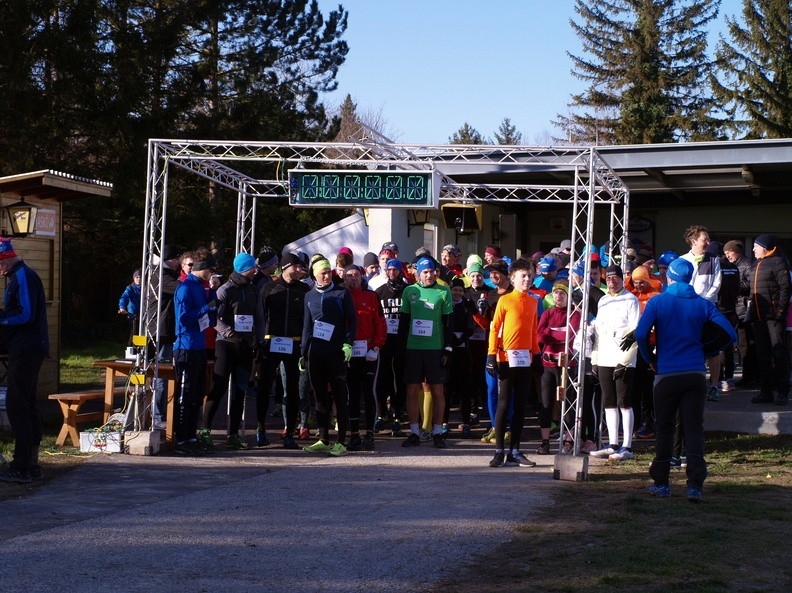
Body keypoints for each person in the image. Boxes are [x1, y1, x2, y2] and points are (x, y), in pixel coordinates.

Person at [636, 257, 736, 502]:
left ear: (669, 277)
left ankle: (662, 483)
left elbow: (640, 334)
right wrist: (707, 349)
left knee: (665, 428)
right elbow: (730, 335)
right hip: (695, 374)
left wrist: (650, 358)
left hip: (666, 373)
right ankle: (694, 486)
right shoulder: (702, 304)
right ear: (689, 278)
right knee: (693, 429)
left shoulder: (658, 302)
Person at [201, 252, 264, 451]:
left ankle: (234, 434)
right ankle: (205, 430)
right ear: (245, 268)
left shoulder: (254, 290)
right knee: (219, 387)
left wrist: (259, 341)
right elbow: (215, 319)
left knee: (239, 390)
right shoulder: (225, 290)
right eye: (253, 267)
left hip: (245, 345)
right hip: (226, 344)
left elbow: (259, 317)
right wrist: (229, 333)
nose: (256, 270)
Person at [0, 238, 49, 483]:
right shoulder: (19, 275)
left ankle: (21, 466)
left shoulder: (23, 276)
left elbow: (26, 314)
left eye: (0, 265)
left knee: (18, 404)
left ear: (6, 260)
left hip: (28, 347)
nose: (0, 271)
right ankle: (30, 463)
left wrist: (2, 319)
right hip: (27, 346)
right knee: (27, 403)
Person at [486, 258, 541, 467]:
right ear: (513, 278)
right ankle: (499, 451)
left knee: (520, 405)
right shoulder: (505, 300)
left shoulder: (534, 301)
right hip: (506, 357)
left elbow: (533, 330)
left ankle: (515, 451)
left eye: (529, 276)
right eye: (523, 276)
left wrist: (536, 354)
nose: (527, 279)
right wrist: (492, 355)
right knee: (503, 403)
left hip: (525, 358)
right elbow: (494, 328)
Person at [302, 257, 356, 456]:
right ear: (314, 275)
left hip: (336, 351)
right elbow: (307, 326)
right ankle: (323, 438)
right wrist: (303, 352)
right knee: (319, 396)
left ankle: (341, 440)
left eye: (328, 272)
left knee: (340, 395)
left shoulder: (342, 293)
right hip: (316, 352)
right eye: (322, 272)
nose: (326, 275)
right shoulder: (309, 296)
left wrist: (348, 343)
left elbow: (352, 320)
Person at [398, 256, 454, 449]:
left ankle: (437, 432)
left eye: (432, 271)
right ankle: (414, 432)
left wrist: (448, 348)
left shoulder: (443, 291)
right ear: (418, 274)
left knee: (438, 391)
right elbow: (403, 323)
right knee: (412, 390)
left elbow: (448, 323)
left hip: (435, 348)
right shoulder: (409, 291)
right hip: (413, 348)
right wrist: (400, 348)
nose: (429, 275)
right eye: (425, 272)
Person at [258, 253, 310, 448]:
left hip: (294, 344)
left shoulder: (304, 290)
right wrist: (259, 342)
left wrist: (305, 345)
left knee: (293, 390)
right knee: (265, 388)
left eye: (301, 267)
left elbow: (308, 320)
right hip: (270, 343)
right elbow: (260, 316)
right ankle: (260, 429)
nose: (300, 270)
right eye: (296, 267)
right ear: (286, 267)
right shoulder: (269, 288)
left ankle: (289, 432)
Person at [590, 264, 640, 461]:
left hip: (623, 359)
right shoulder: (602, 301)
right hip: (604, 357)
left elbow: (635, 331)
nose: (612, 281)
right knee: (608, 401)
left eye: (615, 278)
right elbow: (598, 333)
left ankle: (627, 446)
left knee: (624, 402)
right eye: (608, 278)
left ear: (621, 279)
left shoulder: (631, 300)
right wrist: (595, 358)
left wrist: (625, 361)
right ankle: (612, 444)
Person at [172, 249, 217, 455]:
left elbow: (208, 313)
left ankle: (191, 435)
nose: (212, 273)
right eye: (210, 269)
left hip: (199, 347)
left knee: (197, 394)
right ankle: (181, 439)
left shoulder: (201, 287)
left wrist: (212, 302)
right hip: (185, 347)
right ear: (202, 269)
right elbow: (183, 319)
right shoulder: (185, 288)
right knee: (185, 393)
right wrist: (205, 308)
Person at [343, 264, 387, 450]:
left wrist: (376, 346)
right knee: (352, 393)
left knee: (369, 392)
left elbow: (380, 323)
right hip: (349, 353)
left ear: (362, 277)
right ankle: (354, 434)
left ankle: (369, 433)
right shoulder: (341, 297)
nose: (353, 278)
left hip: (369, 352)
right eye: (349, 275)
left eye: (356, 275)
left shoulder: (371, 296)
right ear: (344, 278)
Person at [535, 280, 580, 456]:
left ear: (568, 296)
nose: (558, 297)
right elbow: (539, 335)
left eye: (562, 293)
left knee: (567, 402)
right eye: (555, 293)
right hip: (548, 363)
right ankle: (545, 441)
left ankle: (568, 440)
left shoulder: (575, 313)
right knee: (546, 403)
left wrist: (551, 334)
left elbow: (570, 334)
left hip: (567, 364)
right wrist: (557, 335)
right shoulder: (547, 313)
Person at [747, 234, 790, 406]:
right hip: (758, 317)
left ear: (764, 248)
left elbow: (786, 287)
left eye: (756, 246)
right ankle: (766, 392)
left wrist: (780, 312)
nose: (753, 249)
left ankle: (783, 392)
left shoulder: (778, 261)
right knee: (763, 355)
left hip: (773, 317)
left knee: (779, 353)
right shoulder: (756, 263)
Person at [681, 225, 722, 401]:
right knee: (691, 348)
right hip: (687, 312)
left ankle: (713, 386)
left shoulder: (714, 259)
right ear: (694, 241)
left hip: (707, 309)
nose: (708, 242)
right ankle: (694, 384)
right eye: (705, 239)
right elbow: (680, 285)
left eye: (708, 239)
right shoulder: (682, 260)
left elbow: (717, 283)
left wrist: (703, 303)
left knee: (713, 350)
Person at [146, 243, 181, 430]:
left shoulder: (166, 275)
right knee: (161, 374)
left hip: (167, 330)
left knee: (164, 374)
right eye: (177, 259)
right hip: (160, 331)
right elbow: (181, 289)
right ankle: (158, 415)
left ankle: (163, 413)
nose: (179, 263)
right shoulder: (161, 276)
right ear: (170, 260)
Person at [375, 258, 409, 435]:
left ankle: (398, 414)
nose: (393, 273)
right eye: (390, 270)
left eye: (396, 270)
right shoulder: (379, 292)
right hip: (384, 341)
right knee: (382, 376)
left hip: (401, 342)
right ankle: (381, 414)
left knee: (399, 378)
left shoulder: (407, 291)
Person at [723, 240, 758, 387]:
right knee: (740, 343)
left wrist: (732, 283)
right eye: (725, 253)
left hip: (743, 309)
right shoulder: (734, 265)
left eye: (729, 252)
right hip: (737, 309)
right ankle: (747, 376)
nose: (727, 255)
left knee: (746, 344)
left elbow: (751, 285)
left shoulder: (747, 265)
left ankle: (749, 377)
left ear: (736, 251)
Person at [117, 269, 142, 342]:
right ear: (133, 278)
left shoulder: (147, 287)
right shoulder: (130, 288)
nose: (139, 279)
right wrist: (122, 307)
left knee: (142, 332)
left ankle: (140, 348)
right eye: (136, 277)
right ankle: (132, 347)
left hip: (144, 314)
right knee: (134, 332)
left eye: (140, 277)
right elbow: (124, 298)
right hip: (133, 314)